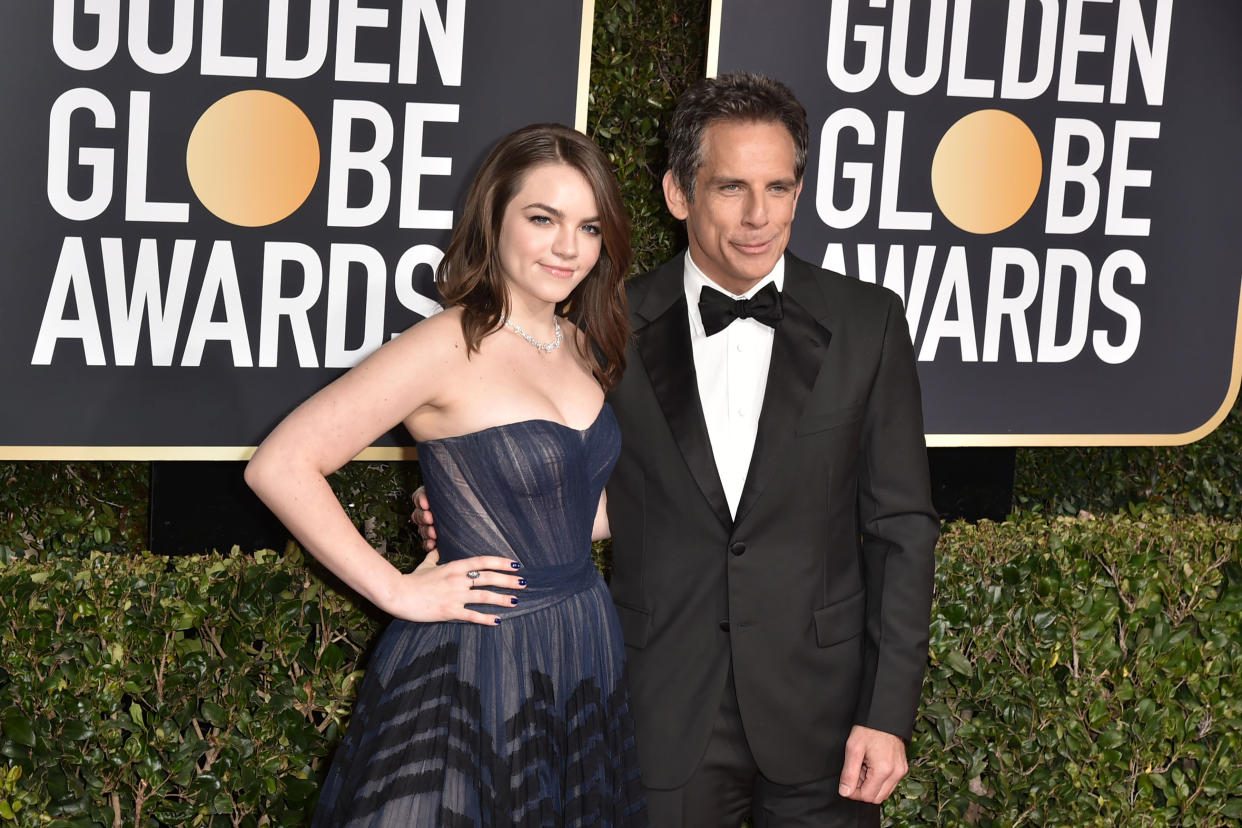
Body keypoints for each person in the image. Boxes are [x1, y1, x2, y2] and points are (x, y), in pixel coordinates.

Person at [417, 73, 938, 827]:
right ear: (677, 193)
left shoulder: (869, 323)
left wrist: (888, 712)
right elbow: (555, 464)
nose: (759, 216)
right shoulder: (605, 324)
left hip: (824, 716)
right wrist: (468, 501)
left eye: (779, 187)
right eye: (730, 187)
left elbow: (903, 529)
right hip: (659, 704)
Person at [247, 123, 646, 826]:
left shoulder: (584, 346)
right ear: (494, 218)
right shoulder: (443, 345)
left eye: (588, 226)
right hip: (477, 655)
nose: (567, 247)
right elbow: (281, 464)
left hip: (582, 640)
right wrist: (396, 589)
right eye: (543, 218)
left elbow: (581, 513)